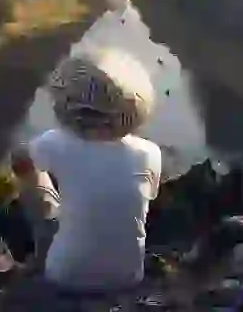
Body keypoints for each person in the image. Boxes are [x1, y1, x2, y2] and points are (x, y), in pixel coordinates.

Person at [9, 47, 163, 295]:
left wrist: (41, 176)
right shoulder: (150, 153)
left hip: (66, 275)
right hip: (129, 277)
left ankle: (42, 250)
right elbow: (149, 196)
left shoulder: (56, 143)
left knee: (32, 170)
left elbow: (19, 159)